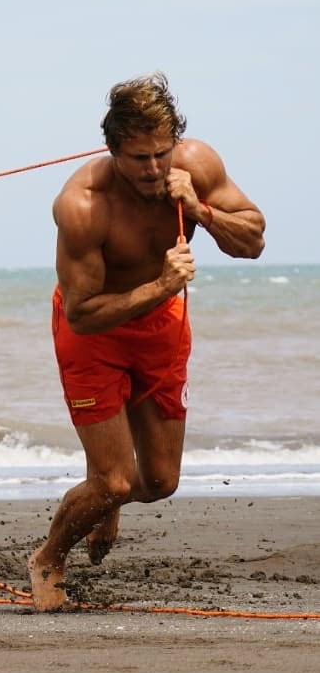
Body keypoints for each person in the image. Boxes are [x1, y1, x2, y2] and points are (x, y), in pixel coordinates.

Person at [29, 72, 266, 611]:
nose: (154, 169)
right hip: (94, 335)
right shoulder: (83, 204)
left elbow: (252, 239)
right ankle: (48, 556)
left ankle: (105, 502)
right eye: (139, 159)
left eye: (161, 154)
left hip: (160, 331)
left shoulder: (197, 166)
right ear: (112, 150)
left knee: (157, 482)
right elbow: (84, 315)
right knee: (114, 481)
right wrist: (161, 284)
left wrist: (202, 210)